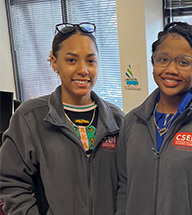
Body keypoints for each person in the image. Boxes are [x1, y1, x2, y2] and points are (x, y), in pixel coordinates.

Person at [0, 22, 125, 214]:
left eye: (91, 61)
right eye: (71, 60)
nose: (83, 70)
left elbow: (127, 183)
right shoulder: (30, 117)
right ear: (54, 62)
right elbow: (10, 181)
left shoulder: (117, 121)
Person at [116, 22, 192, 214]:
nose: (171, 69)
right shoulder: (132, 121)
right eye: (163, 59)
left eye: (183, 62)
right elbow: (124, 187)